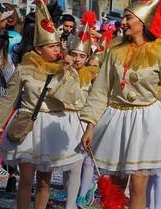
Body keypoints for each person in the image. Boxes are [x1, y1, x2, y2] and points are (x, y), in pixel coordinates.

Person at [80, 0, 161, 209]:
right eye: (124, 17)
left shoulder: (160, 54)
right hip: (117, 118)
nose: (123, 22)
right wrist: (90, 125)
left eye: (129, 18)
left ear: (143, 23)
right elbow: (100, 90)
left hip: (147, 121)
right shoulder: (114, 50)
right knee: (117, 183)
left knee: (139, 183)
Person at [0, 0, 84, 209]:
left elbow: (70, 99)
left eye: (58, 46)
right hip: (28, 123)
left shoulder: (66, 69)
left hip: (52, 126)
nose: (57, 50)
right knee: (25, 180)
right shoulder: (25, 69)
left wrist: (65, 73)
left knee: (45, 182)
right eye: (52, 46)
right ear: (38, 48)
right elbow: (8, 99)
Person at [63, 11, 100, 209]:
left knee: (81, 163)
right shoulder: (62, 71)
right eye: (74, 54)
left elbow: (96, 99)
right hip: (63, 120)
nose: (77, 59)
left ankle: (78, 199)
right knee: (65, 166)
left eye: (82, 56)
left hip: (82, 122)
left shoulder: (92, 75)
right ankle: (70, 193)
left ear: (87, 58)